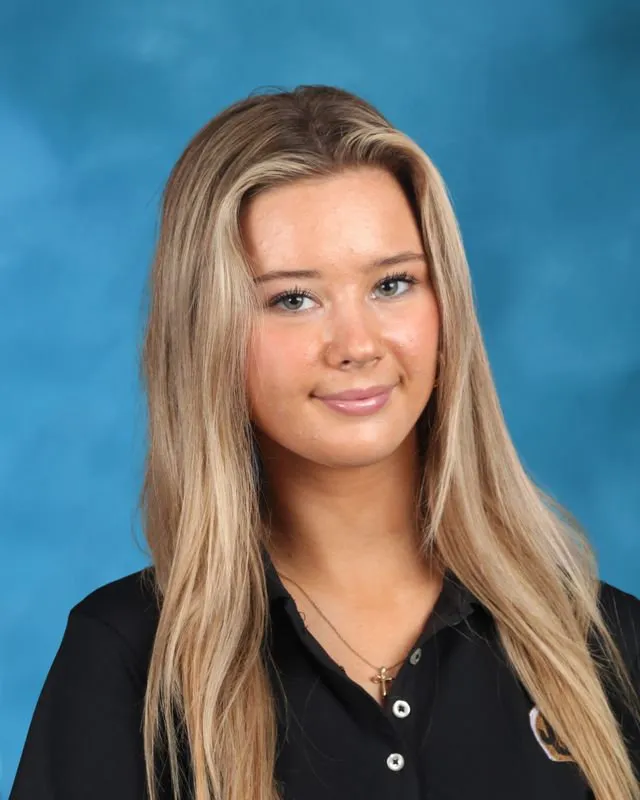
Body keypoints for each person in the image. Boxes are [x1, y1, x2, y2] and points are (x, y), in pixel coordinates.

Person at [9, 84, 640, 800]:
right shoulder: (128, 662)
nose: (357, 344)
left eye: (393, 283)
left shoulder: (609, 645)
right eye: (293, 299)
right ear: (209, 333)